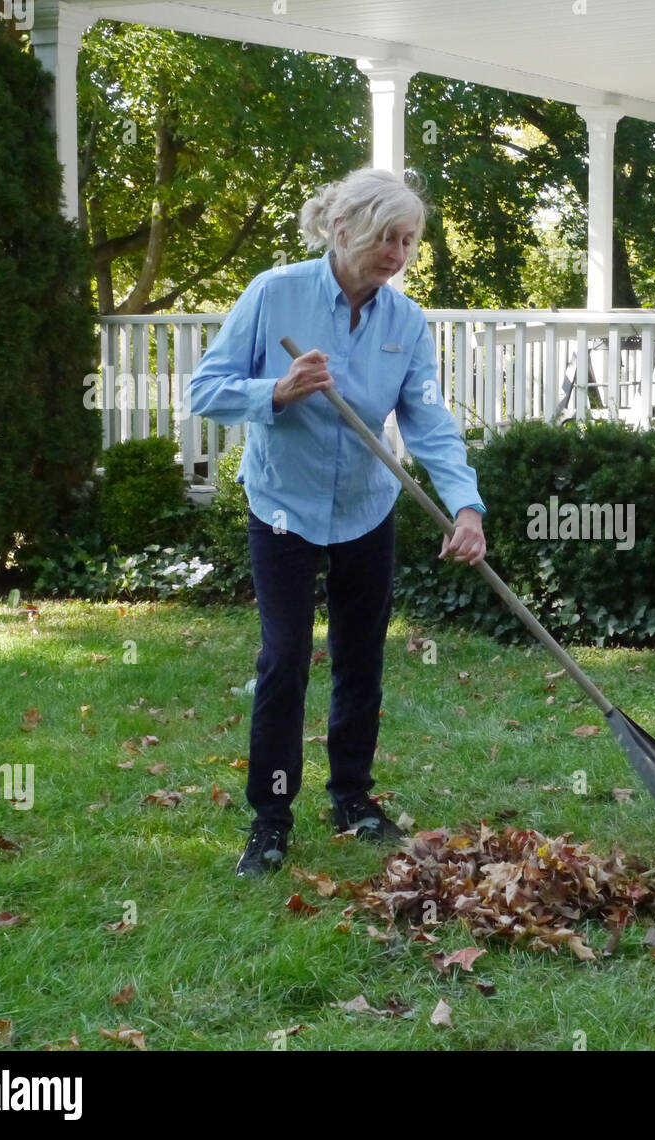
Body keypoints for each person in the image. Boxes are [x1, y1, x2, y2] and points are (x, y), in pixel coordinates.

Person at [189, 166, 487, 878]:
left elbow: (429, 422)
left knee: (361, 657)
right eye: (386, 237)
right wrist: (278, 392)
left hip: (364, 506)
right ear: (343, 228)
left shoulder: (406, 322)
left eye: (409, 241)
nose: (397, 253)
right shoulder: (275, 293)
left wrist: (466, 505)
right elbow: (207, 389)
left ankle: (352, 798)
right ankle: (271, 817)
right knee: (285, 659)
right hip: (284, 506)